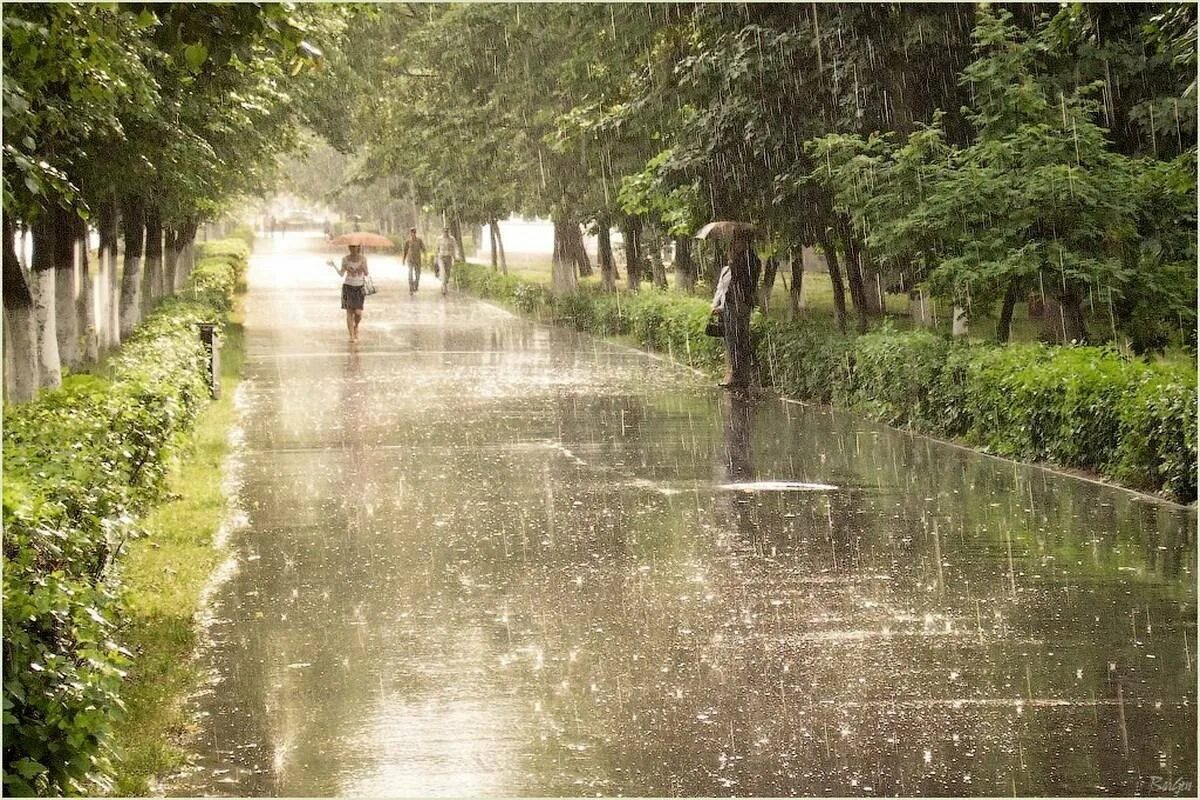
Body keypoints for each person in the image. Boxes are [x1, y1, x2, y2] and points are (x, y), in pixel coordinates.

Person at [709, 236, 761, 390]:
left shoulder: (746, 262)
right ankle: (737, 375)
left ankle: (739, 376)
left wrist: (734, 265)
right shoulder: (743, 261)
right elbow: (727, 289)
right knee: (733, 340)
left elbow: (739, 287)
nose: (731, 249)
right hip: (735, 305)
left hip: (739, 305)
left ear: (743, 243)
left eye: (734, 244)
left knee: (736, 340)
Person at [332, 244, 369, 341]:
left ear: (358, 247)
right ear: (349, 248)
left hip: (359, 287)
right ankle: (352, 336)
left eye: (355, 247)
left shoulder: (363, 259)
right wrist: (334, 265)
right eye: (351, 247)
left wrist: (362, 267)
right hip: (348, 287)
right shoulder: (345, 259)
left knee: (358, 312)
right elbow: (341, 274)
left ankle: (356, 326)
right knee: (349, 312)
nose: (353, 249)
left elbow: (366, 273)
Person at [401, 227, 425, 295]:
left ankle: (416, 285)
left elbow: (423, 248)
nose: (413, 234)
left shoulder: (419, 240)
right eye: (412, 233)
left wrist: (424, 254)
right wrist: (403, 259)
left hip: (418, 260)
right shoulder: (408, 241)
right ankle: (411, 288)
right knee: (410, 274)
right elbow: (405, 251)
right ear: (410, 233)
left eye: (414, 233)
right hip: (410, 260)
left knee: (418, 275)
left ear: (415, 233)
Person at [434, 227, 457, 296]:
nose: (445, 233)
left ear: (448, 232)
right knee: (443, 272)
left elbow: (454, 248)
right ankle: (444, 287)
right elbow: (436, 249)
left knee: (448, 273)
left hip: (449, 257)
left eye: (447, 232)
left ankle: (444, 283)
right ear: (442, 232)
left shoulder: (452, 239)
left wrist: (455, 257)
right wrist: (435, 258)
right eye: (444, 232)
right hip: (441, 258)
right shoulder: (439, 239)